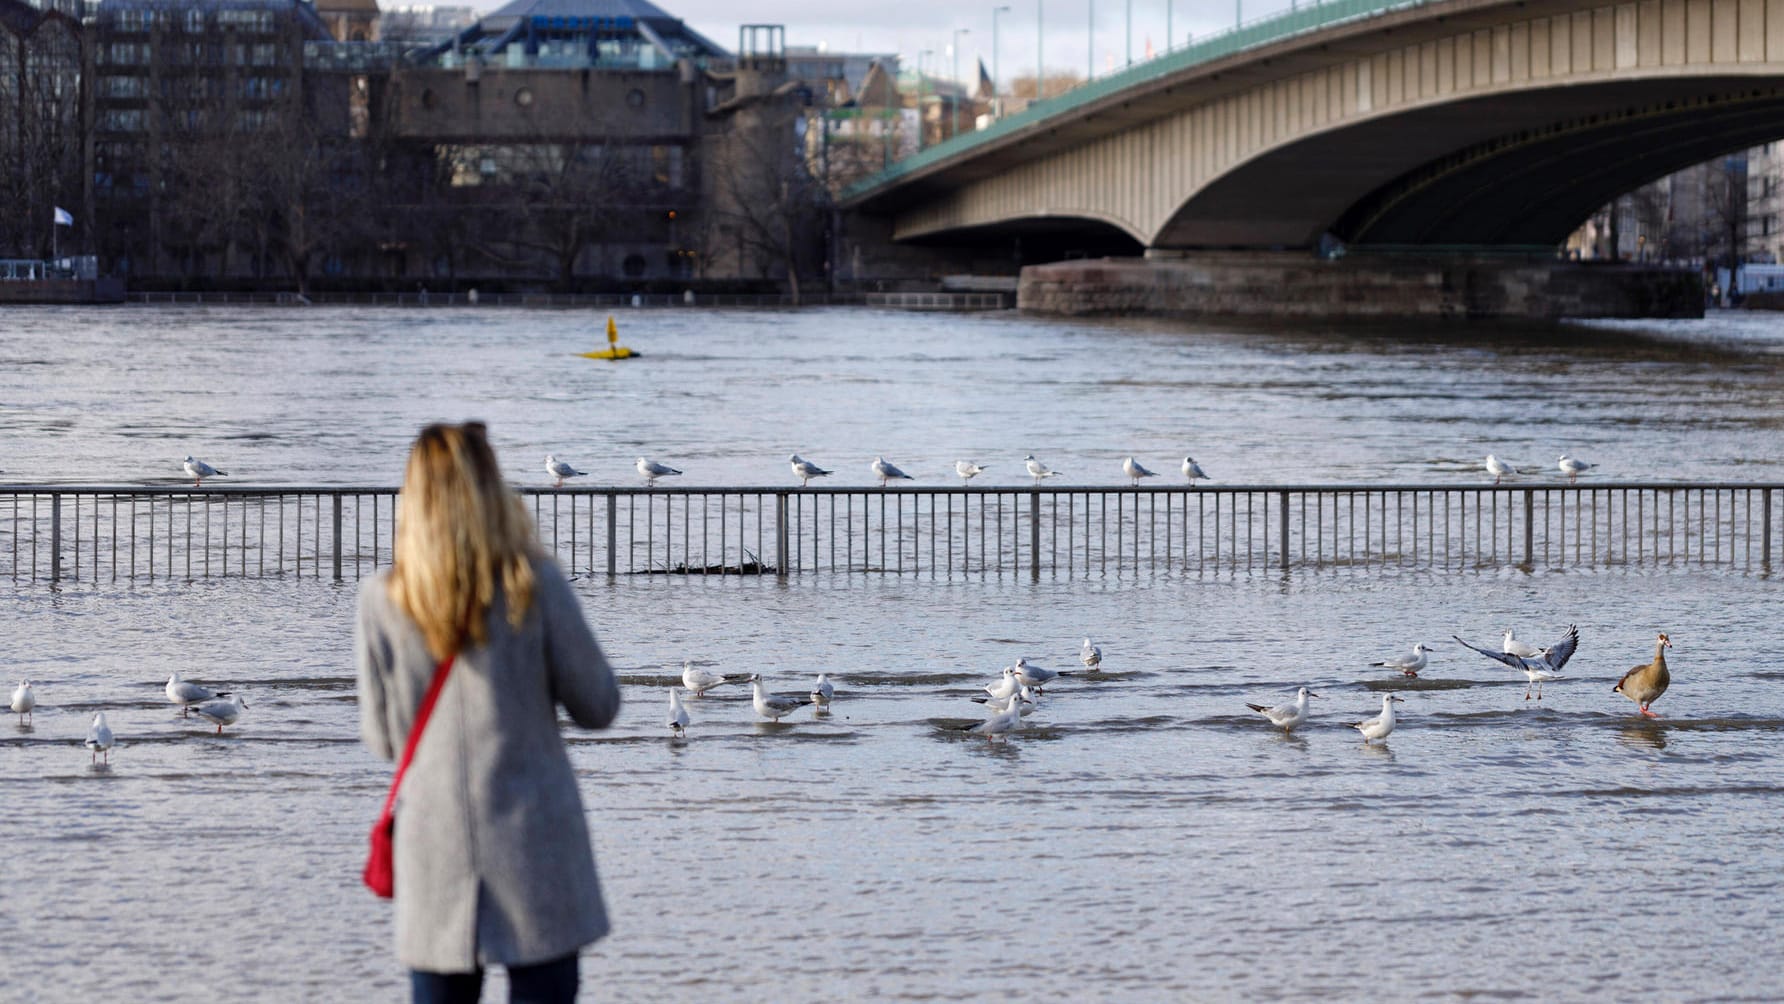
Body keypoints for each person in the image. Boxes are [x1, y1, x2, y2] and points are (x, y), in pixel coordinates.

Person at [356, 421, 621, 1003]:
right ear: (491, 488)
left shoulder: (383, 597)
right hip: (536, 847)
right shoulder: (534, 582)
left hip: (435, 851)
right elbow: (599, 706)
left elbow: (383, 740)